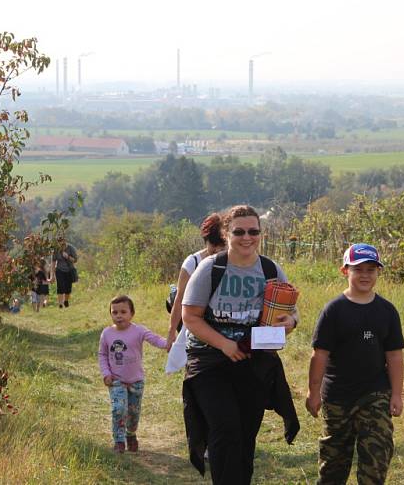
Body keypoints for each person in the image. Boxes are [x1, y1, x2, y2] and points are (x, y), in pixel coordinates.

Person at [181, 204, 299, 485]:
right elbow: (190, 316)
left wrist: (291, 323)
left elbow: (290, 311)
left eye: (254, 231)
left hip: (254, 363)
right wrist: (224, 344)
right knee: (225, 430)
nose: (247, 237)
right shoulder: (211, 268)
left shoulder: (270, 269)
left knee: (246, 435)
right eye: (239, 231)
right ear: (226, 233)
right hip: (210, 362)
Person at [306, 243, 404, 485]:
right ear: (345, 271)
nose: (365, 275)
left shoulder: (387, 311)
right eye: (358, 269)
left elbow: (394, 356)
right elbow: (320, 355)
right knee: (334, 464)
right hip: (338, 396)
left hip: (375, 393)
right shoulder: (334, 311)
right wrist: (313, 392)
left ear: (378, 273)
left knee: (377, 458)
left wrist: (397, 394)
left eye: (371, 270)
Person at [98, 295, 167, 454]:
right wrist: (106, 373)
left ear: (132, 313)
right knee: (118, 409)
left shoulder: (139, 331)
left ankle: (131, 434)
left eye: (123, 311)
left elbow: (155, 339)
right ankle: (119, 440)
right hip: (116, 381)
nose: (119, 315)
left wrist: (169, 344)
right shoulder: (107, 333)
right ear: (110, 314)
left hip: (136, 381)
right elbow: (102, 355)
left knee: (133, 414)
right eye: (114, 312)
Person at [166, 213, 226, 358]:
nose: (218, 250)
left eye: (222, 245)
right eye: (214, 245)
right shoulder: (192, 262)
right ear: (206, 241)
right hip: (197, 326)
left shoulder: (236, 261)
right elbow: (179, 299)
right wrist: (171, 332)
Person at [53, 236, 77, 309]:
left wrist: (68, 257)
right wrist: (52, 274)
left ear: (65, 241)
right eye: (59, 242)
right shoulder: (56, 250)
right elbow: (53, 261)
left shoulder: (71, 248)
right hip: (59, 270)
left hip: (69, 270)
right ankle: (60, 304)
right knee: (60, 287)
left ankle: (66, 301)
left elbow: (75, 260)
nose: (61, 243)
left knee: (68, 288)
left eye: (62, 241)